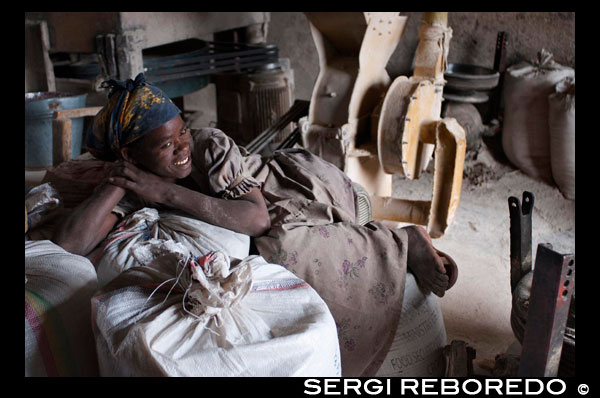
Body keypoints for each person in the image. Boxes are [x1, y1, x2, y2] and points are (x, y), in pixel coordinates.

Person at [52, 73, 457, 377]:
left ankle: (402, 241)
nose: (182, 149)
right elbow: (69, 245)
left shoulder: (209, 147)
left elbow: (257, 217)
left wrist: (167, 193)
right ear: (130, 154)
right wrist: (119, 179)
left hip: (284, 190)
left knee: (280, 248)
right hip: (220, 200)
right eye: (166, 144)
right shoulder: (134, 177)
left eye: (182, 133)